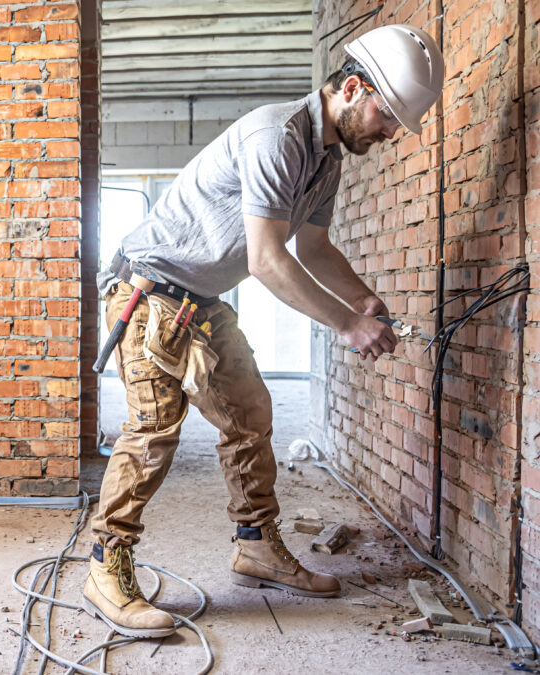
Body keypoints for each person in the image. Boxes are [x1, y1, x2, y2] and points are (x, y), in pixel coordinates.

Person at [83, 24, 445, 638]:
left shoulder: (326, 159)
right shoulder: (277, 136)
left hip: (200, 299)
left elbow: (314, 247)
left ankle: (255, 547)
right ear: (352, 89)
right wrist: (348, 325)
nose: (390, 133)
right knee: (153, 427)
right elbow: (267, 260)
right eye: (387, 116)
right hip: (149, 290)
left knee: (249, 413)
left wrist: (361, 298)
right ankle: (105, 563)